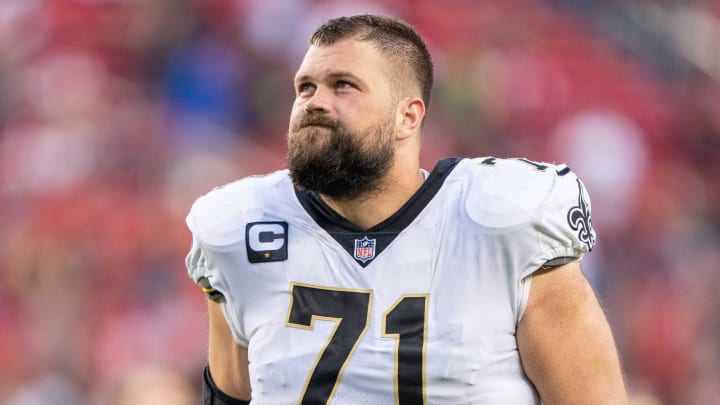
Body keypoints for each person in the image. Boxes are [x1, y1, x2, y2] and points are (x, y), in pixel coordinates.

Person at [185, 14, 627, 404]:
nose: (314, 102)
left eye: (343, 85)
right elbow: (230, 396)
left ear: (408, 117)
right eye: (306, 86)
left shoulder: (503, 220)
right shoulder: (240, 229)